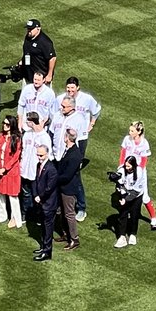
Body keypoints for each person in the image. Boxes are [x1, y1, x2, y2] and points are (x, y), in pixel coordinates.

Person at [57, 76, 101, 221]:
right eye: (68, 88)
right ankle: (60, 205)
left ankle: (81, 207)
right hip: (62, 145)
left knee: (75, 176)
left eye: (72, 88)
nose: (70, 91)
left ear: (78, 88)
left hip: (77, 142)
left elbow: (96, 110)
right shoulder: (60, 99)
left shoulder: (86, 99)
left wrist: (92, 124)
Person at [120, 121, 156, 230]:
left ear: (139, 132)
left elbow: (143, 161)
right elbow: (123, 153)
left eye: (132, 131)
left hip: (139, 173)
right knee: (125, 190)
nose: (130, 132)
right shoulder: (127, 139)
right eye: (130, 130)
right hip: (126, 170)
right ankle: (128, 211)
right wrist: (120, 167)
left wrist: (139, 173)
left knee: (144, 196)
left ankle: (154, 219)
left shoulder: (144, 143)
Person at [54, 129, 83, 250]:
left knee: (69, 214)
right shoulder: (69, 150)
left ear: (67, 138)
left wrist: (54, 179)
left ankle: (74, 239)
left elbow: (67, 175)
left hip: (68, 189)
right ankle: (66, 234)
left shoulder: (75, 154)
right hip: (62, 187)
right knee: (61, 212)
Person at [20, 112, 52, 217]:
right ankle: (25, 213)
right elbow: (23, 150)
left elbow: (48, 155)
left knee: (36, 194)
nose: (26, 123)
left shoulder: (45, 137)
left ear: (32, 122)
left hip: (36, 171)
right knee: (25, 192)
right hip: (25, 169)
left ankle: (36, 214)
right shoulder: (27, 134)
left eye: (27, 121)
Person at [0, 116, 23, 228]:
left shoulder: (16, 138)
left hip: (11, 171)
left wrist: (5, 168)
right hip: (0, 167)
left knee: (12, 195)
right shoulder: (1, 135)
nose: (4, 126)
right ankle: (1, 215)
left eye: (7, 124)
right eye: (3, 123)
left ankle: (15, 218)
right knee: (0, 192)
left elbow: (15, 157)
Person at [32, 144, 59, 261]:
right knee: (43, 225)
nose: (39, 157)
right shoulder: (39, 165)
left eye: (41, 155)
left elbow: (50, 188)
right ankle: (43, 246)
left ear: (47, 154)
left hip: (48, 203)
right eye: (37, 155)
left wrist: (40, 197)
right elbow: (35, 181)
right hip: (41, 202)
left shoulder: (51, 169)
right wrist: (35, 195)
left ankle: (47, 251)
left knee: (48, 228)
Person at [112, 155, 146, 248]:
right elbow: (119, 182)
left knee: (134, 215)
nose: (126, 168)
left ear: (133, 166)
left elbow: (135, 192)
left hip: (136, 196)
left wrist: (125, 200)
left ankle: (133, 234)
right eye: (125, 166)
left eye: (128, 166)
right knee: (122, 214)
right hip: (124, 194)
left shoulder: (139, 172)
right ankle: (122, 236)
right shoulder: (122, 170)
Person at [21, 19, 57, 84]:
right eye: (28, 28)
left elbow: (52, 58)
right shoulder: (28, 37)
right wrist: (22, 62)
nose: (29, 31)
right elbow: (27, 52)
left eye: (31, 29)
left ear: (38, 29)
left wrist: (49, 75)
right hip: (28, 74)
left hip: (41, 77)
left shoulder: (45, 42)